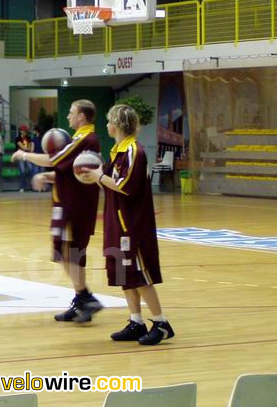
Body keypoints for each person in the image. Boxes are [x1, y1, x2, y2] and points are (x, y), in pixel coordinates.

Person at [82, 104, 174, 345]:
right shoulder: (117, 151)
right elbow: (113, 186)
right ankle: (136, 321)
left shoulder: (134, 151)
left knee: (139, 274)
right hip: (116, 220)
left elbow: (125, 186)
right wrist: (95, 177)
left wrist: (99, 176)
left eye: (108, 121)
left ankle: (162, 323)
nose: (106, 125)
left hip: (132, 224)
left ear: (118, 124)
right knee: (123, 273)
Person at [11, 100, 103, 323]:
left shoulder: (84, 138)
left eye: (72, 113)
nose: (69, 116)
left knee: (63, 251)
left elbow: (54, 159)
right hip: (73, 201)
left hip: (72, 205)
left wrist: (23, 155)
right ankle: (81, 301)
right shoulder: (84, 139)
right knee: (72, 252)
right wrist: (50, 177)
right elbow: (74, 172)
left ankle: (84, 297)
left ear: (81, 116)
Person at [14, 125, 34, 191]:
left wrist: (28, 148)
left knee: (31, 169)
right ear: (20, 131)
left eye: (25, 131)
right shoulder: (18, 138)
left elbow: (30, 147)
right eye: (23, 131)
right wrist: (28, 148)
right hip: (20, 156)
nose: (24, 132)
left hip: (27, 155)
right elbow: (23, 147)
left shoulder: (28, 138)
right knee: (22, 171)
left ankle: (32, 185)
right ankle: (22, 187)